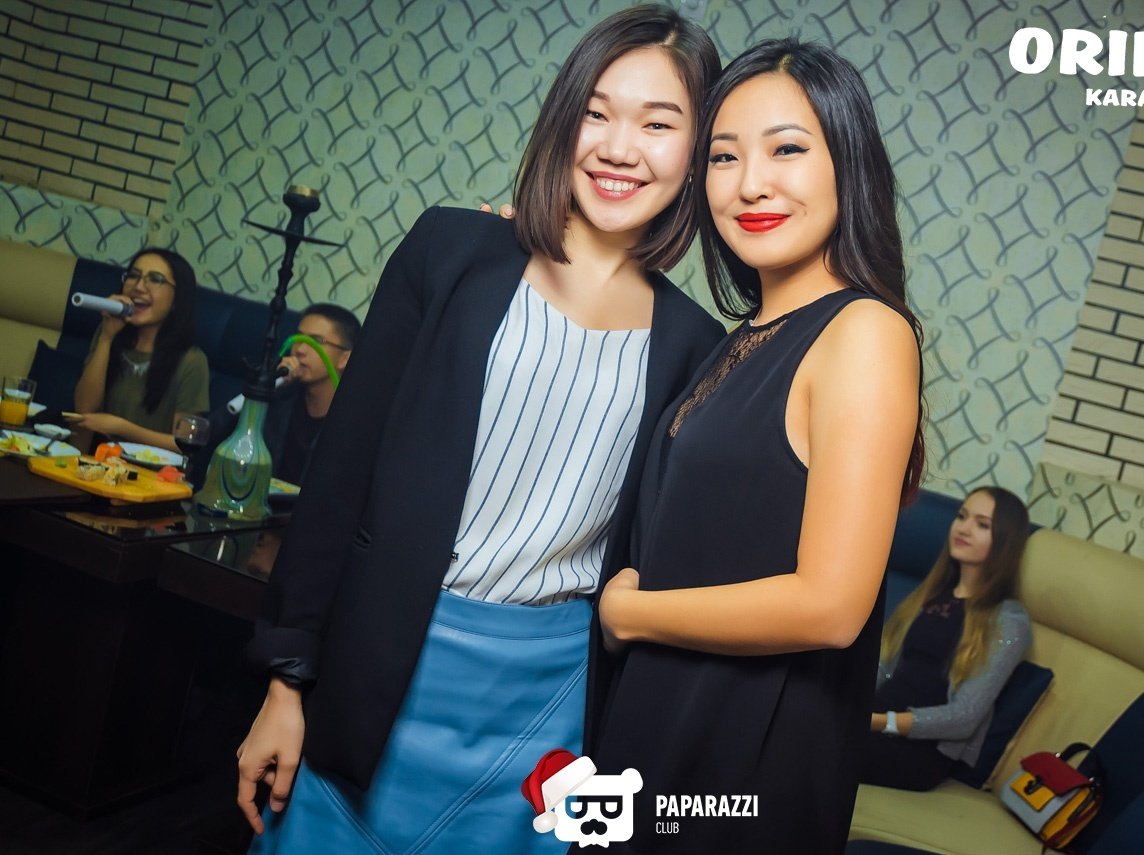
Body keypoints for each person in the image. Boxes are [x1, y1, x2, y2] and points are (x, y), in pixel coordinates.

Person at [235, 7, 723, 855]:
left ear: (697, 151)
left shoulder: (697, 345)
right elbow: (342, 472)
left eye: (658, 124)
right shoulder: (452, 250)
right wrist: (285, 681)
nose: (619, 147)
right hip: (379, 659)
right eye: (597, 112)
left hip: (544, 702)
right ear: (564, 119)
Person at [583, 40, 926, 854]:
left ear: (849, 165)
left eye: (787, 150)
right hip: (660, 723)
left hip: (743, 755)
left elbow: (831, 606)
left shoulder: (864, 331)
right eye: (724, 157)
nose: (750, 184)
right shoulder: (739, 339)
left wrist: (630, 612)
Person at [864, 486, 1032, 791]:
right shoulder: (930, 595)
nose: (964, 528)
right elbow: (885, 666)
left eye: (982, 525)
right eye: (962, 516)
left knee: (812, 748)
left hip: (919, 750)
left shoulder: (1008, 620)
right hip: (873, 722)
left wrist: (881, 721)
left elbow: (964, 716)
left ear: (1005, 541)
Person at [203, 303, 362, 487]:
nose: (300, 350)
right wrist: (265, 387)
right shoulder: (280, 396)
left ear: (345, 358)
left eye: (316, 341)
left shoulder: (354, 421)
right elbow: (211, 433)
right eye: (298, 338)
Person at [71, 247, 209, 451]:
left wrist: (122, 428)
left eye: (155, 279)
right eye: (133, 276)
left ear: (177, 299)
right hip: (94, 461)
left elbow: (182, 444)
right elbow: (84, 410)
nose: (138, 286)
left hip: (151, 469)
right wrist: (106, 338)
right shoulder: (108, 333)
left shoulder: (192, 360)